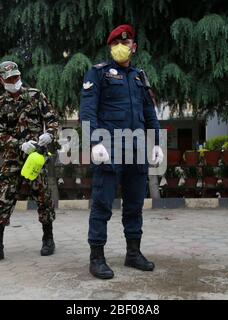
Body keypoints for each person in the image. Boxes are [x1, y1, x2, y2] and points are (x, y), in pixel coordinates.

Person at [79, 24, 164, 279]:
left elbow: (150, 113)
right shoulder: (98, 74)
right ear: (110, 47)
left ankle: (133, 253)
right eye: (116, 44)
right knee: (102, 204)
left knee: (135, 204)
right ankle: (97, 258)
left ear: (133, 47)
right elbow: (87, 111)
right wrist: (94, 143)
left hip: (137, 148)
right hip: (109, 147)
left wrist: (156, 142)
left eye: (126, 44)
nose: (121, 47)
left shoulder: (140, 77)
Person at [0, 61, 59, 264]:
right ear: (1, 81)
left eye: (16, 77)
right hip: (13, 158)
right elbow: (0, 134)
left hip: (36, 157)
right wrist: (19, 144)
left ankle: (48, 239)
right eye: (9, 79)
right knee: (5, 198)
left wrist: (49, 135)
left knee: (42, 196)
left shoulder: (36, 95)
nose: (14, 82)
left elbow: (52, 118)